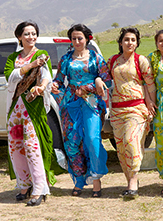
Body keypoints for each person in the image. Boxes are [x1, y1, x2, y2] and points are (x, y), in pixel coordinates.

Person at [51, 24, 112, 197]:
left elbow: (107, 81)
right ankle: (78, 180)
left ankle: (96, 179)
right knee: (72, 142)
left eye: (80, 38)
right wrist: (56, 87)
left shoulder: (96, 58)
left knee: (92, 139)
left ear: (87, 39)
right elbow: (59, 79)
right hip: (70, 104)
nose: (77, 41)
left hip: (91, 104)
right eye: (74, 38)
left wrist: (91, 85)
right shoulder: (66, 59)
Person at [4, 20, 56, 206]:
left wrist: (40, 88)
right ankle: (24, 185)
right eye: (27, 34)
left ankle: (39, 188)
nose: (31, 37)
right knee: (16, 148)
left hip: (32, 108)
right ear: (19, 36)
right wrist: (30, 65)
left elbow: (46, 77)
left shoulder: (42, 55)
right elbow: (10, 77)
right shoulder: (13, 58)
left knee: (32, 147)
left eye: (34, 33)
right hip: (15, 108)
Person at [107, 27, 156, 199]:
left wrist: (151, 103)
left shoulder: (141, 60)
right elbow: (104, 78)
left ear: (137, 43)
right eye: (126, 39)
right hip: (117, 110)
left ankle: (133, 181)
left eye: (133, 40)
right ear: (120, 42)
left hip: (137, 109)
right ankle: (130, 181)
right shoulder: (113, 61)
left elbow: (149, 84)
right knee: (120, 147)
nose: (130, 43)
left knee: (131, 141)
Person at [148, 29, 163, 196]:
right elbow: (146, 81)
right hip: (160, 107)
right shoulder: (152, 58)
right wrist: (150, 101)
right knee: (161, 144)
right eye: (160, 40)